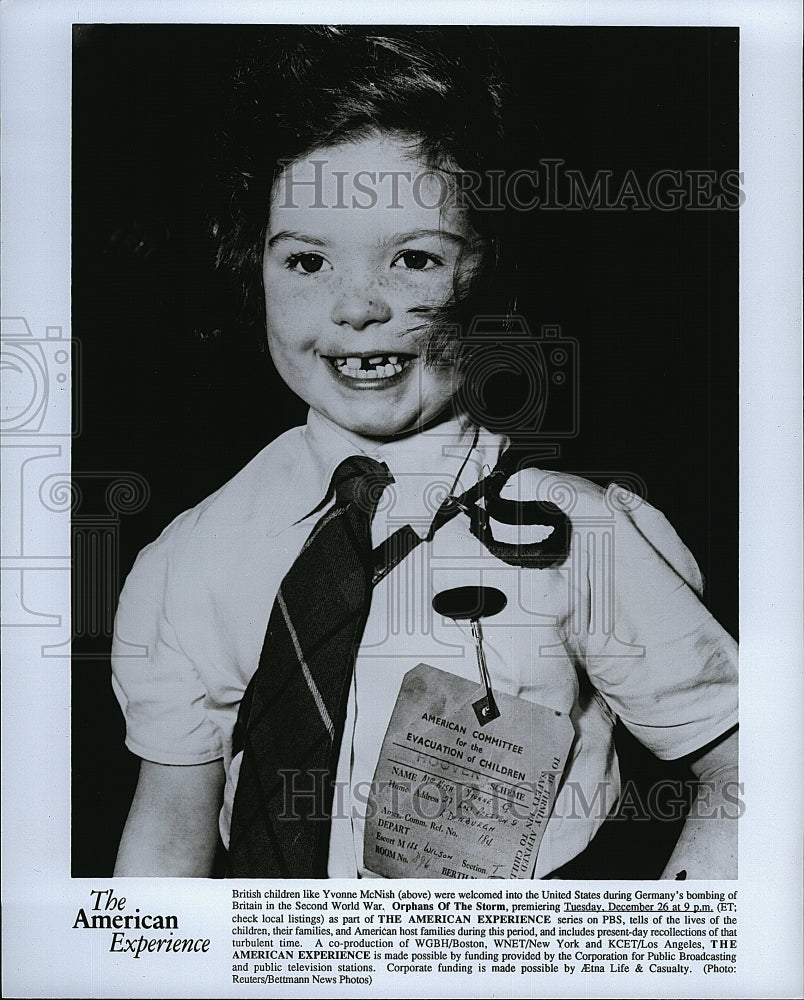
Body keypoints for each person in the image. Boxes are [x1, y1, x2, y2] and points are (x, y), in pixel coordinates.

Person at [111, 26, 738, 879]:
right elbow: (169, 822)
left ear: (493, 276)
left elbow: (747, 762)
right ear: (249, 270)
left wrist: (673, 949)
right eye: (305, 260)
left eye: (413, 259)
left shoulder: (580, 536)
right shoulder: (193, 555)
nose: (357, 306)